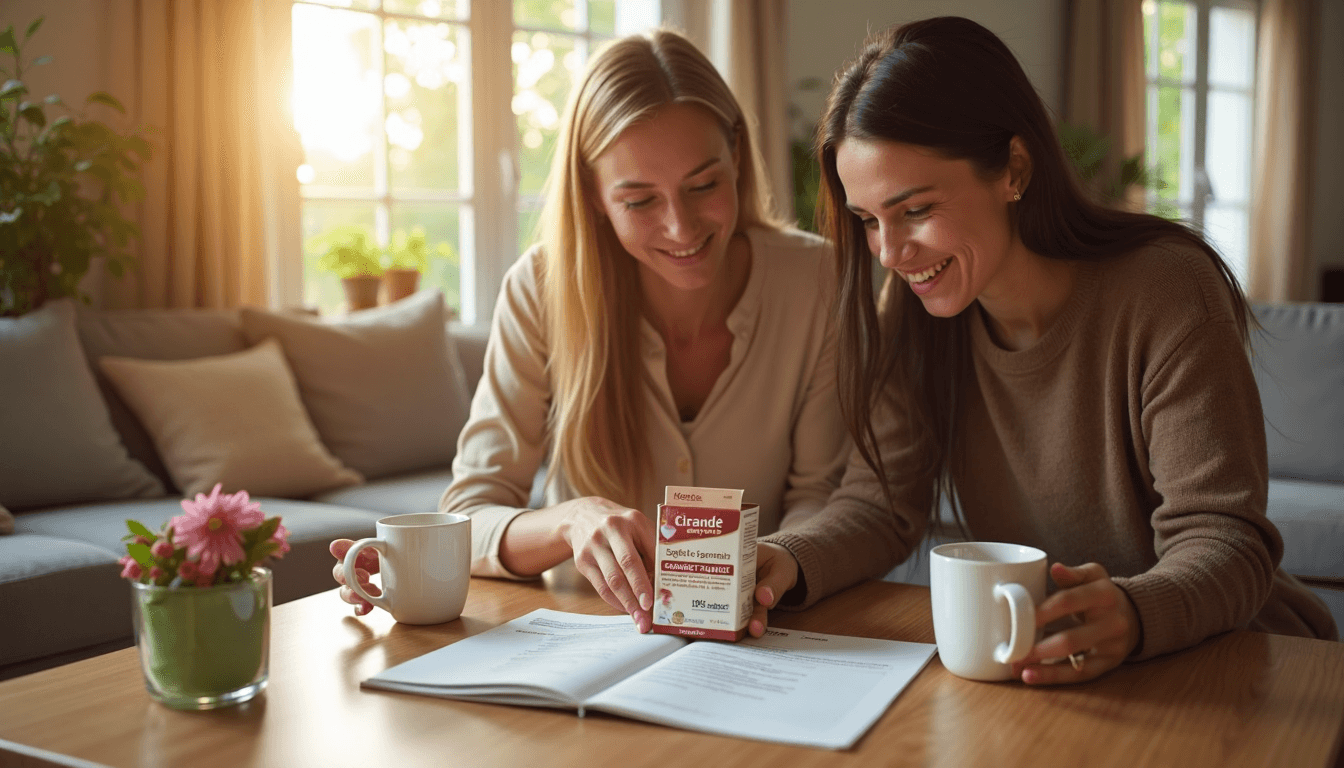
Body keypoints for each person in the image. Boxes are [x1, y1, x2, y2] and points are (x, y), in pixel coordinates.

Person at [749, 16, 1337, 683]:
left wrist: (1132, 612)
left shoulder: (1167, 289)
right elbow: (879, 507)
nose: (890, 253)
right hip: (1060, 668)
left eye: (913, 210)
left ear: (1014, 169)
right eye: (867, 221)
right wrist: (783, 561)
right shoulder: (915, 314)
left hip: (1239, 661)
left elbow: (1227, 541)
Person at [332, 28, 850, 633]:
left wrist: (778, 562)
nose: (680, 227)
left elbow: (823, 495)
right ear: (595, 195)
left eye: (704, 185)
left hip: (762, 642)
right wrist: (569, 521)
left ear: (737, 154)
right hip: (583, 645)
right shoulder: (541, 288)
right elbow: (469, 514)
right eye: (639, 200)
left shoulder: (817, 278)